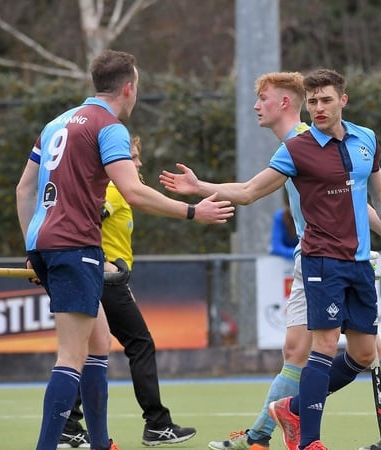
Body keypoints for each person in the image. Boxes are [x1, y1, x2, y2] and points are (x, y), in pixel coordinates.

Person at [160, 71, 381, 450]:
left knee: (365, 352)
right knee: (315, 349)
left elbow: (371, 201)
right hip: (320, 260)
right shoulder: (297, 147)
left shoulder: (356, 139)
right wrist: (202, 187)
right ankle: (285, 437)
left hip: (355, 260)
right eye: (313, 101)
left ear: (341, 101)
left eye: (263, 98)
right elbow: (251, 191)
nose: (255, 106)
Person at [15, 49, 234, 450]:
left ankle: (100, 444)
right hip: (75, 246)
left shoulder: (54, 124)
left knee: (99, 344)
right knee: (71, 356)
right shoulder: (108, 125)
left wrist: (33, 245)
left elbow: (24, 189)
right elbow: (132, 191)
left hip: (49, 245)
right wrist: (192, 211)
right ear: (129, 88)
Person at [58, 136, 197, 448]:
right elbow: (86, 221)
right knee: (139, 343)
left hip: (102, 277)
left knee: (91, 348)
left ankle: (69, 423)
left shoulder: (108, 189)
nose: (138, 164)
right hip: (100, 277)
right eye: (132, 157)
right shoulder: (113, 190)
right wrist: (106, 264)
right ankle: (158, 424)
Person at [270, 192, 299, 260]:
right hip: (285, 262)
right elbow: (276, 247)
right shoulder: (279, 217)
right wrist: (298, 253)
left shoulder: (305, 217)